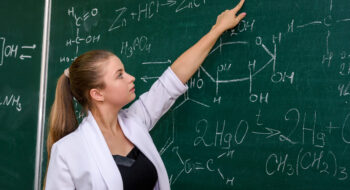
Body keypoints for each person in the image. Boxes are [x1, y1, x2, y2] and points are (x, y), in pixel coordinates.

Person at [44, 0, 246, 189]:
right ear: (97, 94)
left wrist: (217, 30)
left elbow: (173, 79)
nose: (131, 78)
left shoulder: (135, 122)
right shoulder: (68, 152)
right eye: (119, 75)